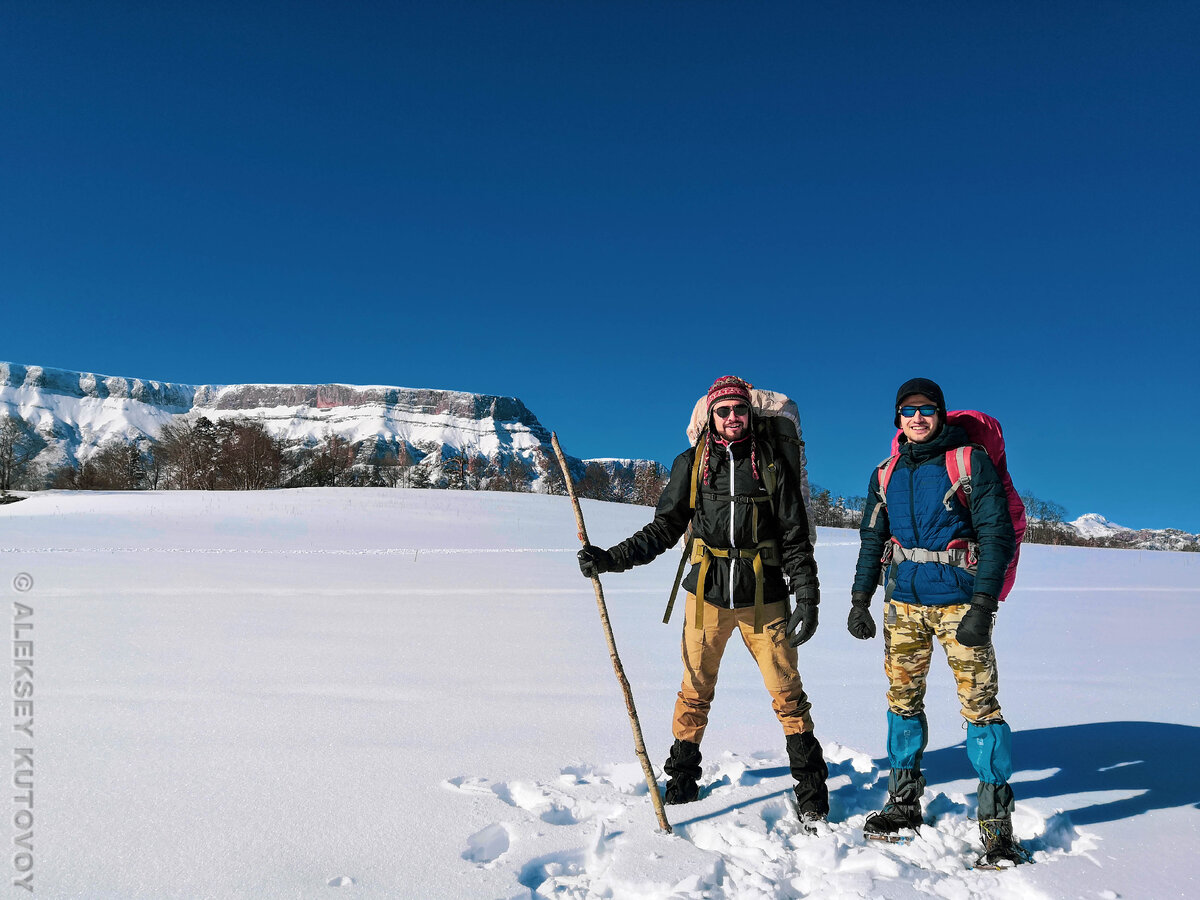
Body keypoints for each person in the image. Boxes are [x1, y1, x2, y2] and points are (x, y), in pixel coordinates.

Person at [576, 375, 829, 826]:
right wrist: (612, 559)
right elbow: (664, 527)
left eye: (739, 409)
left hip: (764, 594)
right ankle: (682, 780)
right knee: (694, 690)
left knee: (787, 693)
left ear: (750, 413)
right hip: (707, 594)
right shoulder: (692, 463)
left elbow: (793, 534)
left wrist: (806, 594)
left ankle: (811, 786)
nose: (733, 417)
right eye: (723, 410)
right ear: (710, 417)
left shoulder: (771, 461)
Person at [849, 377, 1028, 866]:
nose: (918, 418)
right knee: (902, 701)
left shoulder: (971, 462)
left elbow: (997, 536)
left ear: (941, 414)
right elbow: (873, 540)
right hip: (902, 604)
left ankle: (996, 826)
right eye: (909, 412)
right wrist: (860, 598)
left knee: (980, 707)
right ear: (898, 420)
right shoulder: (884, 473)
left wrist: (984, 605)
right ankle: (903, 803)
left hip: (960, 604)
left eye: (927, 409)